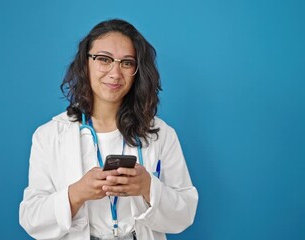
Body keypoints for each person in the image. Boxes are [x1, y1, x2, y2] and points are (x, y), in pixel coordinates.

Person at [19, 19, 198, 240]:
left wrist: (148, 187)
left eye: (127, 63)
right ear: (85, 63)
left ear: (137, 71)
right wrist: (76, 194)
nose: (115, 73)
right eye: (104, 59)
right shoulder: (49, 135)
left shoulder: (161, 133)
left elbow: (185, 214)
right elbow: (31, 219)